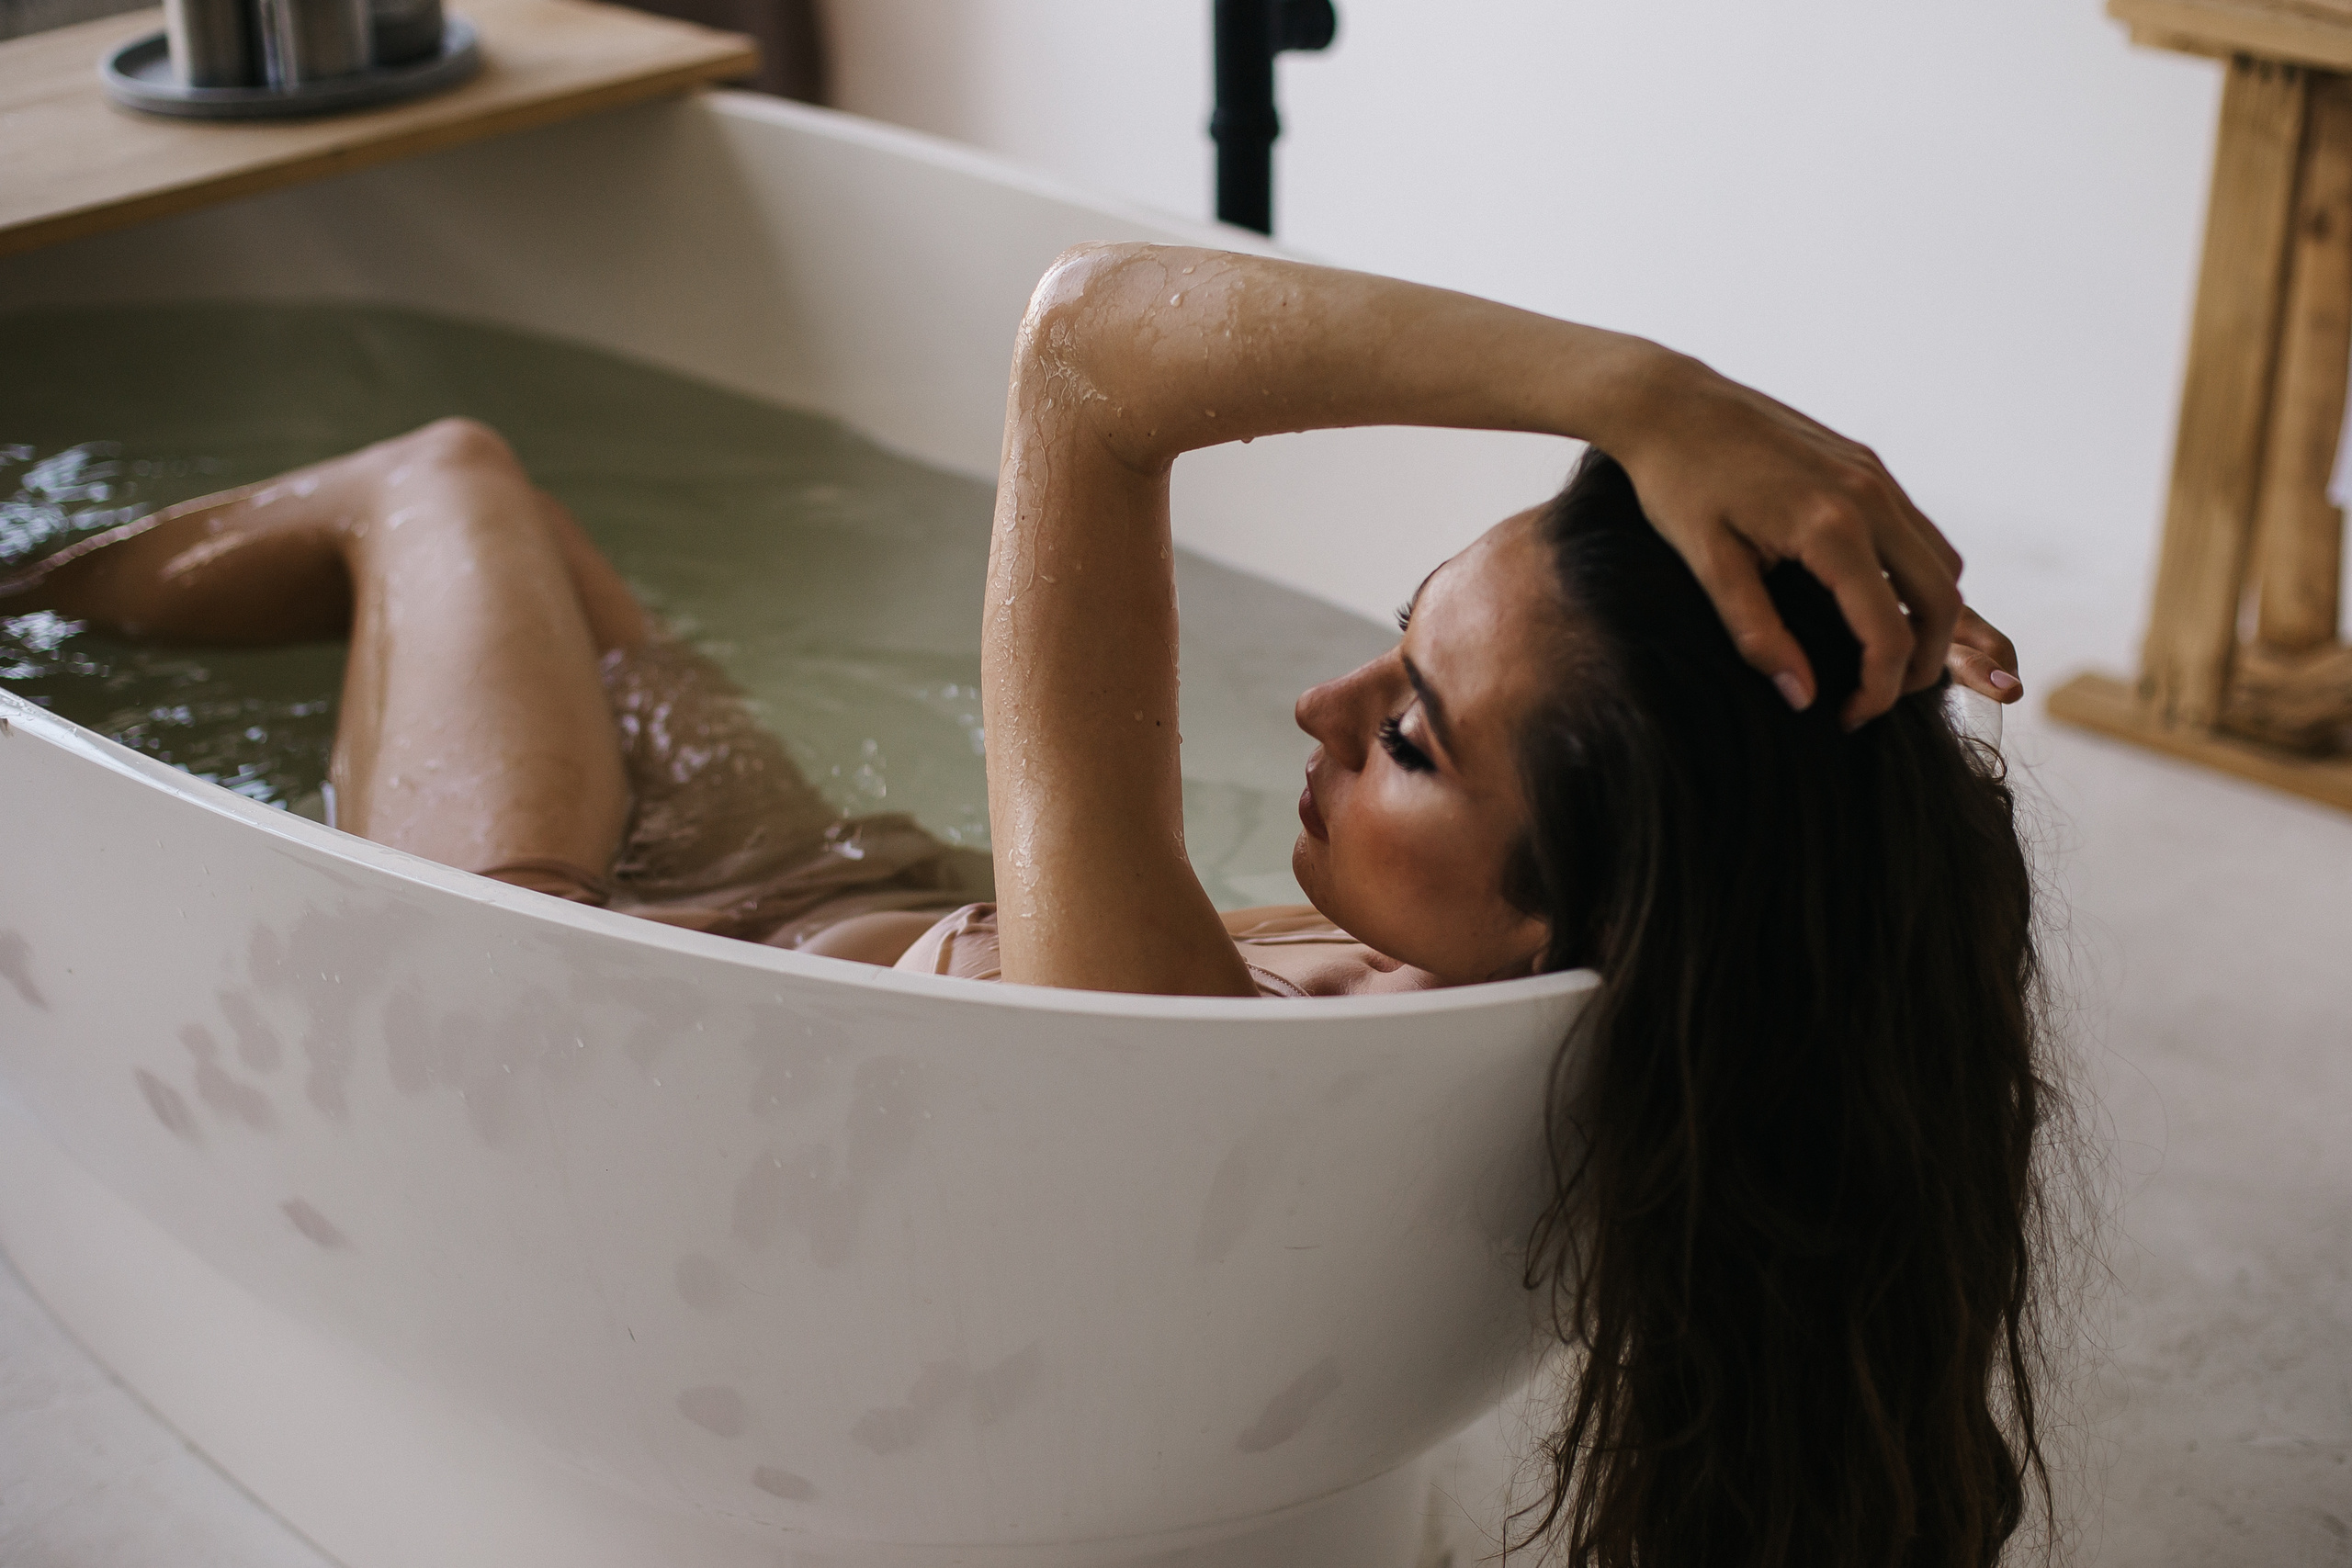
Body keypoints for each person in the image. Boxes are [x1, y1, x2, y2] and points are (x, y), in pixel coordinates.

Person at [3, 245, 2052, 1565]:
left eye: (1413, 735)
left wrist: (1625, 379)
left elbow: (1083, 348)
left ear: (1567, 916)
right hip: (813, 892)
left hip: (560, 973)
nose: (1322, 706)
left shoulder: (1151, 1030)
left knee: (441, 479)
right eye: (1387, 647)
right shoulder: (1655, 996)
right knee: (521, 523)